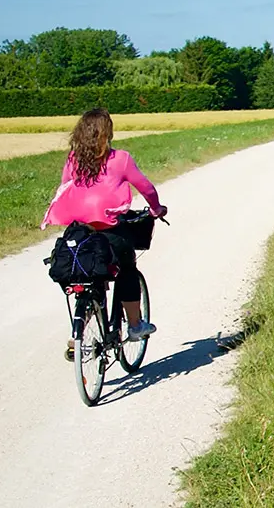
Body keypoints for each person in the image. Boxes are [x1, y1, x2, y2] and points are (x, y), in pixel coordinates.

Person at [42, 108, 167, 359]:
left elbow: (64, 189)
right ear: (107, 133)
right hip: (110, 231)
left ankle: (78, 333)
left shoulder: (73, 159)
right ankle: (135, 326)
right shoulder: (121, 159)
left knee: (92, 276)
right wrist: (156, 209)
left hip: (80, 233)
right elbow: (146, 187)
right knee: (127, 270)